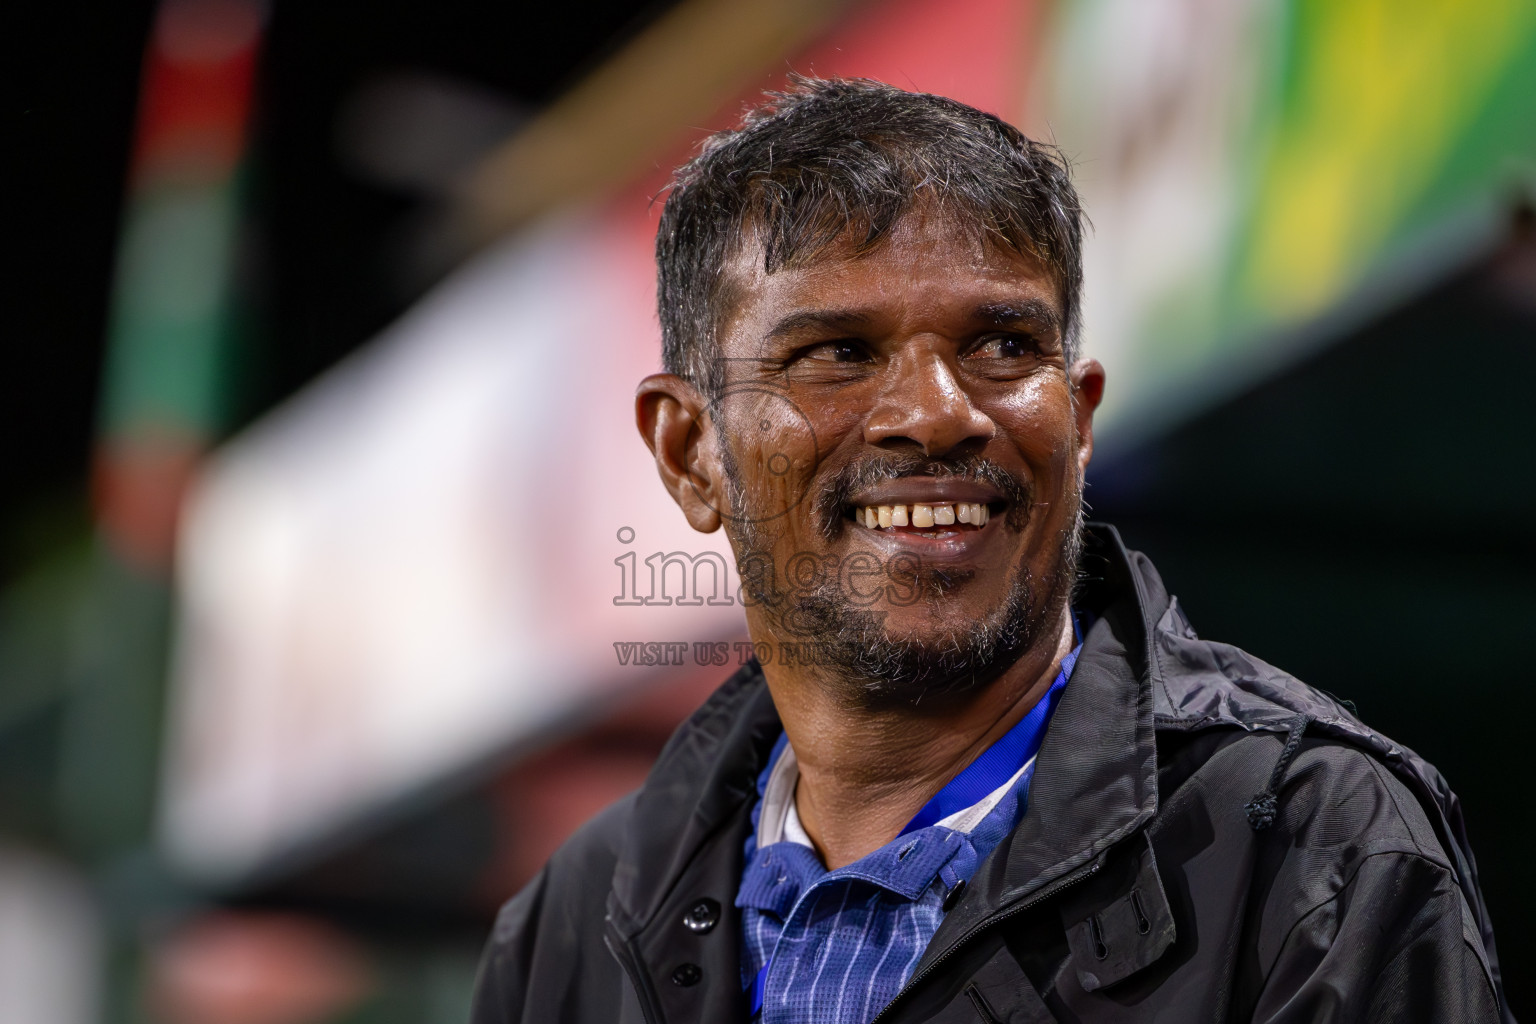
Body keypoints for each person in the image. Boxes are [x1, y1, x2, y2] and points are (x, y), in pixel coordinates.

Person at [470, 78, 1510, 1024]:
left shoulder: (1313, 846)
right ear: (690, 451)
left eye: (1004, 346)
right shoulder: (570, 926)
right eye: (837, 352)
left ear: (1081, 419)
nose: (936, 412)